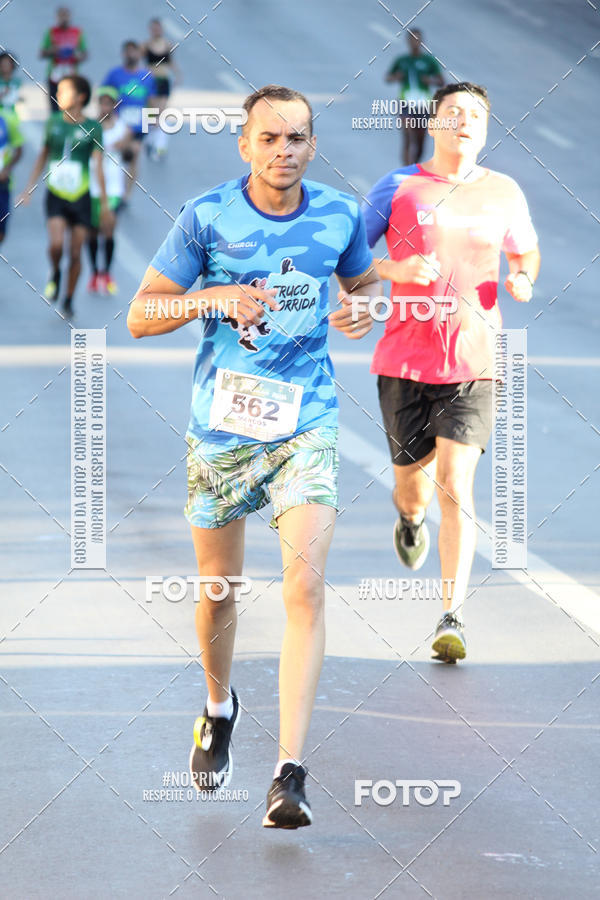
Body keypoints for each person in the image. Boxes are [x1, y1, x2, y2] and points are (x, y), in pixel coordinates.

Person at [127, 84, 378, 828]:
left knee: (303, 590)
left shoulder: (338, 213)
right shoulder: (207, 215)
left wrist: (364, 306)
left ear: (311, 145)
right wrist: (214, 297)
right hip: (223, 433)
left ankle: (289, 774)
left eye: (297, 138)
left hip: (308, 424)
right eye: (268, 138)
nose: (284, 151)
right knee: (218, 591)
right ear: (245, 145)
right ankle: (218, 704)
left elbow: (363, 282)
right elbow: (143, 314)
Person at [362, 82, 540, 662]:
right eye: (453, 113)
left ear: (486, 130)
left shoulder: (504, 192)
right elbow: (352, 259)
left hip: (474, 360)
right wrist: (396, 270)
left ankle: (451, 616)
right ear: (433, 124)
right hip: (404, 360)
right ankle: (410, 521)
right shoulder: (399, 186)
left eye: (476, 116)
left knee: (456, 486)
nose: (464, 122)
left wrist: (522, 276)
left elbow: (525, 249)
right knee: (413, 490)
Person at [19, 75, 111, 318]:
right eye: (57, 91)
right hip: (56, 193)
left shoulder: (94, 127)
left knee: (76, 252)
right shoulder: (53, 123)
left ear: (80, 97)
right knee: (57, 244)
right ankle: (55, 271)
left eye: (64, 91)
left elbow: (98, 165)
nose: (58, 96)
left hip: (80, 195)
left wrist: (103, 203)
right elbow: (43, 154)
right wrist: (29, 186)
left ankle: (68, 298)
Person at [87, 86, 131, 294]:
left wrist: (127, 147)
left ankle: (107, 272)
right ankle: (95, 272)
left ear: (115, 105)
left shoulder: (123, 129)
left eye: (109, 103)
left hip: (113, 188)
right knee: (92, 231)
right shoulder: (89, 127)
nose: (105, 107)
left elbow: (129, 152)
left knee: (109, 228)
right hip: (91, 187)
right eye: (102, 102)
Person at [103, 41, 158, 201]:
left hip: (139, 125)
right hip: (119, 124)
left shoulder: (146, 76)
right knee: (117, 155)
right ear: (123, 54)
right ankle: (114, 188)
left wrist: (153, 119)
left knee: (134, 154)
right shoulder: (115, 75)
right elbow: (104, 95)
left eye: (134, 51)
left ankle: (126, 194)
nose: (130, 55)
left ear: (139, 54)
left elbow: (151, 100)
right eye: (127, 51)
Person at [385, 28, 443, 166]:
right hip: (405, 103)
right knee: (407, 135)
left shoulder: (429, 61)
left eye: (417, 40)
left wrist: (431, 81)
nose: (414, 43)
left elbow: (441, 81)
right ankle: (406, 169)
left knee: (420, 141)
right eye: (412, 40)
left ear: (422, 42)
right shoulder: (402, 61)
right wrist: (396, 77)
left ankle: (414, 166)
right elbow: (388, 77)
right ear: (407, 42)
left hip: (424, 104)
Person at [141, 17, 182, 160]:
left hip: (164, 80)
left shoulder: (167, 45)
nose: (156, 31)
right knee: (152, 113)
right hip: (151, 81)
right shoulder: (145, 46)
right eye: (154, 28)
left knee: (161, 113)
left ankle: (159, 146)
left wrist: (177, 75)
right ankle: (151, 140)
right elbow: (141, 63)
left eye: (158, 28)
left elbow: (171, 62)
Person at [39, 6, 87, 111]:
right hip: (55, 75)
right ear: (57, 17)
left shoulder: (77, 32)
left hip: (71, 75)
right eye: (61, 16)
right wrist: (53, 51)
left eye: (66, 15)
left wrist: (77, 56)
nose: (64, 18)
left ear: (70, 17)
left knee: (72, 105)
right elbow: (42, 53)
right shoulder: (51, 32)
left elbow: (85, 53)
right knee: (55, 106)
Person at [0, 104, 24, 243]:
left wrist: (7, 169)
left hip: (3, 184)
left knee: (2, 232)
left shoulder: (7, 119)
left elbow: (19, 149)